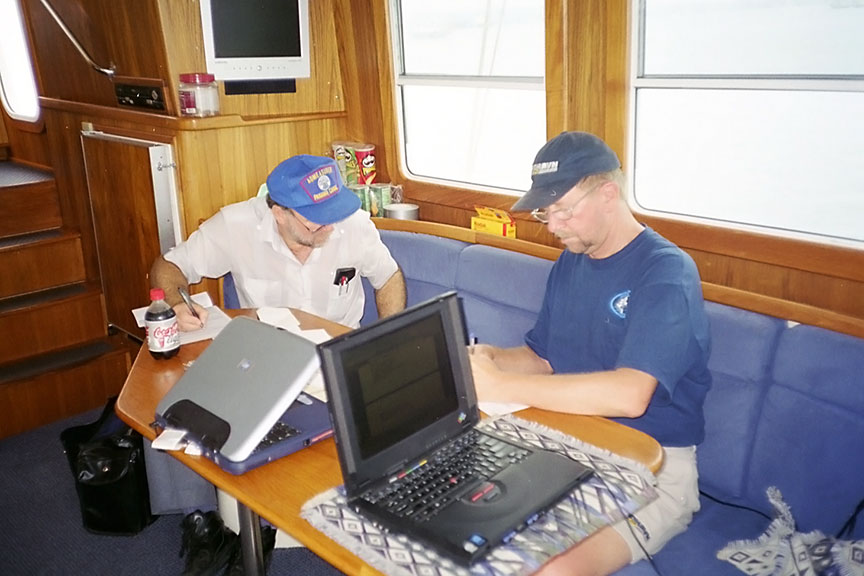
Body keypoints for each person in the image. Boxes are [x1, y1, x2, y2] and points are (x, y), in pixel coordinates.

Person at [469, 132, 712, 576]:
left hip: (653, 463)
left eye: (563, 208)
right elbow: (543, 358)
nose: (553, 224)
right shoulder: (574, 258)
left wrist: (500, 385)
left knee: (549, 569)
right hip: (571, 443)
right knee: (464, 524)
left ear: (608, 193)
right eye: (546, 211)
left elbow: (631, 393)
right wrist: (489, 359)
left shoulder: (665, 271)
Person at [150, 153, 406, 330]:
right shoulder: (235, 225)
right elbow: (169, 266)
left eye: (333, 212)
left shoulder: (353, 224)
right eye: (316, 220)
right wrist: (176, 304)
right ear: (279, 214)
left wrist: (391, 334)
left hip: (337, 354)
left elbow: (388, 277)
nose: (330, 225)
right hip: (267, 357)